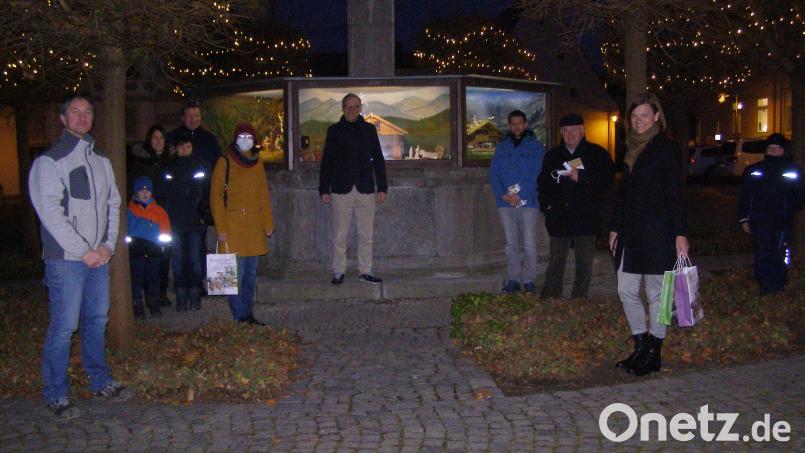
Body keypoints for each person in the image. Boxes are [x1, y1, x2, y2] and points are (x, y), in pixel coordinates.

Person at [28, 94, 129, 419]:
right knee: (64, 326)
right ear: (63, 119)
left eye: (87, 112)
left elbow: (113, 205)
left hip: (98, 257)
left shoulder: (101, 160)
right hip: (66, 260)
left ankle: (100, 381)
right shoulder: (50, 162)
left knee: (97, 321)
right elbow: (50, 213)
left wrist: (107, 246)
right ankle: (56, 393)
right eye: (75, 112)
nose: (82, 117)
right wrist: (82, 250)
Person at [609, 93, 689, 377]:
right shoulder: (630, 148)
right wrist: (615, 226)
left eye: (645, 115)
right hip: (631, 231)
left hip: (658, 231)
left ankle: (655, 351)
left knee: (660, 294)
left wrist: (680, 233)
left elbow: (675, 194)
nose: (639, 121)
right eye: (634, 116)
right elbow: (625, 193)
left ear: (656, 116)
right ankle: (640, 345)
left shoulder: (666, 149)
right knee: (626, 290)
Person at [538, 113, 613, 299]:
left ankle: (579, 299)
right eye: (565, 131)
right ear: (561, 133)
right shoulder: (553, 155)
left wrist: (582, 178)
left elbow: (607, 182)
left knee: (584, 263)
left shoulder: (597, 154)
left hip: (586, 217)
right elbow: (543, 183)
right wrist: (545, 206)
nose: (570, 135)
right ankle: (551, 296)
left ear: (582, 131)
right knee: (556, 261)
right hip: (559, 217)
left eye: (574, 131)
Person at [318, 93, 388, 285]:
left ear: (360, 108)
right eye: (348, 107)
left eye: (355, 106)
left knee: (366, 234)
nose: (352, 110)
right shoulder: (334, 131)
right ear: (342, 108)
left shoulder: (369, 129)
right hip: (341, 189)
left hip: (365, 188)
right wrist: (324, 189)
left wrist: (382, 187)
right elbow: (327, 162)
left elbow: (378, 159)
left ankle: (365, 270)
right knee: (340, 234)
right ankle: (339, 270)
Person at [210, 123, 275, 325]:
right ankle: (240, 315)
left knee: (250, 273)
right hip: (233, 225)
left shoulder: (257, 162)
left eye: (249, 135)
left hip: (254, 226)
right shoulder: (224, 161)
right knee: (233, 274)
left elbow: (263, 193)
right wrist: (221, 228)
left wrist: (268, 221)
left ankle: (248, 312)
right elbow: (215, 196)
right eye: (242, 135)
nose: (245, 139)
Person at [166, 100, 221, 294]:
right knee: (179, 251)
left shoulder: (208, 139)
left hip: (200, 205)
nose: (193, 119)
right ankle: (181, 285)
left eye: (197, 116)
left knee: (199, 247)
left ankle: (198, 285)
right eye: (190, 116)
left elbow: (217, 168)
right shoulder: (173, 137)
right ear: (183, 117)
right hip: (178, 208)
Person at [739, 133, 805, 295]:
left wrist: (790, 207)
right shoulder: (756, 170)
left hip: (782, 220)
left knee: (779, 252)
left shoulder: (793, 171)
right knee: (762, 253)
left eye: (777, 148)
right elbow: (746, 195)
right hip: (759, 220)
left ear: (784, 150)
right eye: (770, 148)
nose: (774, 151)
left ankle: (778, 284)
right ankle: (765, 286)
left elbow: (799, 194)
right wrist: (744, 218)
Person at [488, 110, 545, 293]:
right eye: (513, 123)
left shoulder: (536, 147)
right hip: (505, 203)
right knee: (511, 245)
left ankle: (528, 280)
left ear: (526, 124)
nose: (516, 126)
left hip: (528, 202)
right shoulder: (502, 147)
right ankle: (513, 279)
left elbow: (538, 173)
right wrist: (503, 194)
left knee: (529, 245)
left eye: (520, 123)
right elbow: (494, 174)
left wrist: (521, 194)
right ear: (509, 125)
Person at [163, 133, 210, 311]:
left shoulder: (199, 166)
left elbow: (201, 193)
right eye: (182, 147)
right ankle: (181, 296)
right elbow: (167, 193)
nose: (185, 150)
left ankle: (195, 294)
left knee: (195, 260)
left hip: (194, 222)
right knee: (178, 261)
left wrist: (199, 212)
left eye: (187, 147)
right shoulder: (170, 168)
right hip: (175, 222)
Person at [129, 125, 174, 308]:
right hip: (143, 215)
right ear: (149, 139)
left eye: (161, 138)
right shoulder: (139, 161)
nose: (158, 141)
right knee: (141, 264)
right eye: (154, 138)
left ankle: (158, 295)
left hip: (163, 213)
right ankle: (140, 297)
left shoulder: (170, 160)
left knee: (162, 257)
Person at [126, 176, 172, 319]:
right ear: (136, 193)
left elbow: (166, 230)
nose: (145, 193)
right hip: (136, 251)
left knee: (153, 278)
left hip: (154, 251)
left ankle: (153, 303)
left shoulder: (159, 211)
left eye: (147, 190)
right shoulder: (131, 211)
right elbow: (127, 230)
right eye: (141, 190)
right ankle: (137, 304)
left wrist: (164, 245)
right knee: (137, 279)